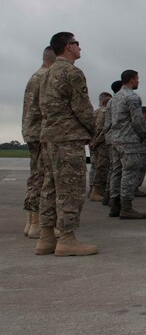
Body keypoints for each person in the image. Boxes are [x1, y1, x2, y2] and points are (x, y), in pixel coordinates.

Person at [35, 32, 98, 256]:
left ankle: (46, 238)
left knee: (50, 187)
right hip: (68, 138)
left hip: (49, 137)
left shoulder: (46, 73)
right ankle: (67, 239)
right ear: (68, 47)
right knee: (70, 189)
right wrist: (94, 131)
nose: (79, 47)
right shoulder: (72, 72)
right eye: (76, 43)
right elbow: (82, 108)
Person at [21, 46, 56, 239]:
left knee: (36, 177)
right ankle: (38, 224)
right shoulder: (46, 77)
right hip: (42, 134)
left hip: (32, 133)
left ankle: (31, 221)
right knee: (43, 180)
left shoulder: (35, 76)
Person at [110, 70, 146, 219]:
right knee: (129, 173)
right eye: (137, 79)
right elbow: (138, 120)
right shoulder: (132, 97)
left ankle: (115, 206)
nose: (138, 82)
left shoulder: (115, 98)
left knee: (117, 172)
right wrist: (143, 135)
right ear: (132, 80)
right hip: (129, 141)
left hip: (116, 140)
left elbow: (109, 120)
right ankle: (126, 207)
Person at [103, 80, 124, 214]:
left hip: (111, 138)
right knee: (121, 170)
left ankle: (109, 196)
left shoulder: (111, 102)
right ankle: (116, 200)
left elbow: (106, 125)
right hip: (121, 138)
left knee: (113, 169)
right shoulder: (123, 99)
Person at [88, 92, 112, 202]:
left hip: (95, 143)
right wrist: (98, 141)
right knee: (102, 168)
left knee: (96, 167)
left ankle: (94, 190)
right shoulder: (106, 112)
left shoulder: (96, 112)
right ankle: (96, 192)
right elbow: (103, 130)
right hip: (102, 144)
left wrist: (93, 142)